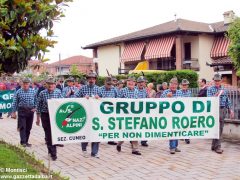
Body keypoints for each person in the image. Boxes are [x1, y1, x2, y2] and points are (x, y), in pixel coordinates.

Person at [36, 78, 63, 161]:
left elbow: (63, 102)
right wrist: (38, 118)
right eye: (49, 84)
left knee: (53, 134)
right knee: (48, 134)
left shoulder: (58, 92)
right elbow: (38, 106)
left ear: (55, 85)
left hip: (55, 116)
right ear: (46, 85)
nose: (50, 85)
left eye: (52, 84)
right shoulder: (42, 93)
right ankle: (52, 153)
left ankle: (51, 151)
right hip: (45, 115)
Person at [75, 72, 100, 158]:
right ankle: (84, 149)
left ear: (95, 80)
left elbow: (104, 101)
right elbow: (75, 97)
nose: (91, 80)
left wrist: (99, 98)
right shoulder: (82, 89)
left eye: (93, 78)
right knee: (85, 131)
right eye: (89, 78)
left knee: (96, 132)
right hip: (85, 114)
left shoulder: (99, 89)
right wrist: (83, 99)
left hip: (96, 114)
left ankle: (94, 152)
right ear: (87, 80)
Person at [207, 74, 234, 154]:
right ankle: (218, 147)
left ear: (221, 80)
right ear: (213, 80)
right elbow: (208, 99)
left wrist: (230, 110)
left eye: (218, 80)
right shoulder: (210, 89)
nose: (217, 82)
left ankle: (213, 145)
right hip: (214, 109)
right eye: (216, 80)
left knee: (220, 128)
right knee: (217, 128)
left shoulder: (224, 89)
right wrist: (216, 95)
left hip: (222, 109)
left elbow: (227, 100)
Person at [116, 76, 141, 155]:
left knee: (134, 131)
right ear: (127, 82)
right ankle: (119, 143)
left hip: (134, 115)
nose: (131, 83)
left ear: (135, 83)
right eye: (129, 81)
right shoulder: (122, 91)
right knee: (125, 132)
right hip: (125, 115)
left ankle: (135, 149)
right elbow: (117, 101)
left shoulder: (137, 91)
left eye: (132, 82)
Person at [11, 78, 36, 147]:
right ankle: (23, 142)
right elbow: (15, 102)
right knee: (22, 127)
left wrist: (35, 107)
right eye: (24, 83)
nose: (25, 85)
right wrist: (13, 112)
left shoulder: (33, 91)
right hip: (22, 111)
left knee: (28, 127)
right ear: (22, 84)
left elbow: (36, 100)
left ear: (29, 84)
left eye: (27, 83)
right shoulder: (18, 92)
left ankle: (26, 141)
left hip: (30, 111)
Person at [160, 78, 182, 154]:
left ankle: (175, 146)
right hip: (169, 114)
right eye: (172, 84)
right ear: (169, 85)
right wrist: (167, 97)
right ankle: (172, 147)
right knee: (172, 130)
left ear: (177, 85)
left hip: (178, 115)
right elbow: (160, 102)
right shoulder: (165, 92)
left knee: (177, 130)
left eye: (175, 84)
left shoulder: (180, 92)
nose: (173, 86)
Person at [98, 77, 118, 145]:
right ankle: (98, 138)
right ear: (104, 83)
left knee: (111, 125)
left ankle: (111, 139)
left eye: (110, 84)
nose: (109, 85)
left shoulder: (114, 89)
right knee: (101, 124)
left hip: (111, 110)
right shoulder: (100, 89)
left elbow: (117, 98)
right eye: (108, 84)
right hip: (102, 110)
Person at [136, 76, 149, 147]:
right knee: (136, 126)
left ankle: (144, 141)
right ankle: (133, 140)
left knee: (145, 125)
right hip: (135, 112)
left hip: (144, 111)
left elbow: (148, 99)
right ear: (137, 83)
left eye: (142, 82)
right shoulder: (134, 89)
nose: (141, 83)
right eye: (140, 82)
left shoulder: (145, 90)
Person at [179, 79, 192, 144]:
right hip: (180, 110)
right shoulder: (178, 92)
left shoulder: (189, 92)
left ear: (187, 85)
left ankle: (187, 137)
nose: (184, 86)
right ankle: (181, 135)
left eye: (186, 85)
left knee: (187, 124)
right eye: (183, 85)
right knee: (181, 123)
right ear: (181, 85)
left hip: (187, 110)